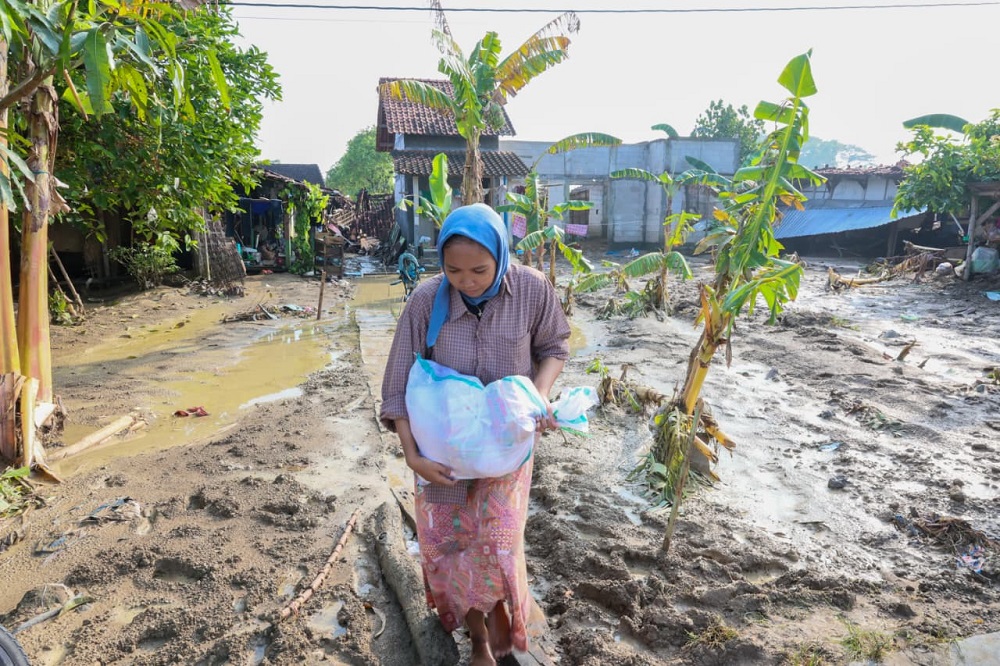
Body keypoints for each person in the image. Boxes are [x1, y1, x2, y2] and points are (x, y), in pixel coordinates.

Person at [381, 203, 570, 665]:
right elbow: (397, 383)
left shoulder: (531, 290)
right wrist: (412, 456)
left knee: (499, 541)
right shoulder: (426, 301)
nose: (466, 281)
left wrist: (539, 395)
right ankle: (479, 640)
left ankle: (501, 609)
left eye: (479, 270)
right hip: (440, 455)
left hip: (507, 448)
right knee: (450, 545)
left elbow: (553, 347)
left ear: (501, 256)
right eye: (454, 270)